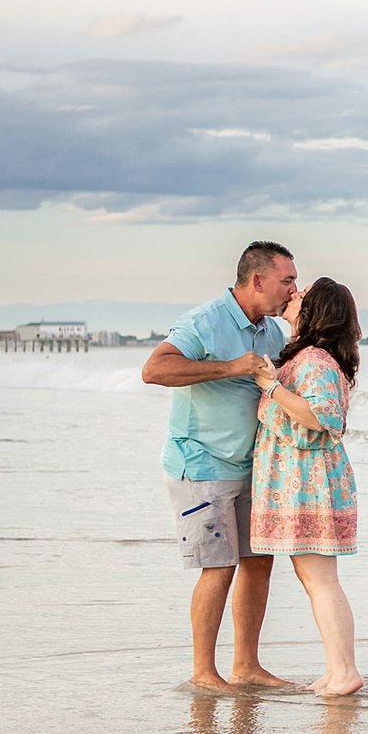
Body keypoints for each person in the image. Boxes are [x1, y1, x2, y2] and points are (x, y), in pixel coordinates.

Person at [143, 242, 300, 693]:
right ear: (257, 280)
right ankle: (203, 672)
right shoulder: (202, 321)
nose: (292, 289)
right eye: (286, 280)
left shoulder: (272, 330)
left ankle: (247, 666)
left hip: (252, 463)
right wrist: (231, 367)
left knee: (259, 561)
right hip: (201, 462)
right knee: (219, 566)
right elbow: (154, 370)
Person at [251, 278, 363, 697]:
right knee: (315, 579)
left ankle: (345, 670)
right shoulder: (312, 356)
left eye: (301, 294)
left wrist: (271, 387)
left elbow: (323, 417)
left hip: (310, 483)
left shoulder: (315, 359)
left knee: (321, 580)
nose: (293, 296)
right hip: (305, 481)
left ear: (316, 310)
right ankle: (337, 668)